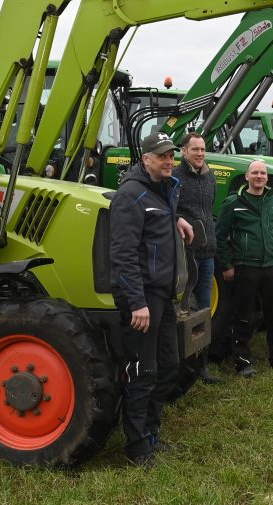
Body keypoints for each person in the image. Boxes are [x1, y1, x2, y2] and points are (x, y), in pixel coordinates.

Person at [109, 131, 193, 466]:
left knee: (169, 366)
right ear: (146, 160)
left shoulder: (161, 191)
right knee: (142, 371)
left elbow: (156, 225)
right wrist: (136, 302)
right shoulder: (130, 194)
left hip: (163, 294)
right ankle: (137, 447)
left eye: (172, 156)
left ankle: (152, 434)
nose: (169, 161)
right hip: (142, 298)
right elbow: (123, 254)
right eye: (162, 156)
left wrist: (177, 220)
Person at [215, 159, 273, 376]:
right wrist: (227, 265)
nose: (259, 176)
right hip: (246, 268)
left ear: (266, 177)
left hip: (271, 266)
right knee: (244, 315)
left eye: (262, 173)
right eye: (255, 173)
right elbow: (220, 236)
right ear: (246, 177)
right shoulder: (233, 203)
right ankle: (243, 361)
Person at [173, 131, 223, 385]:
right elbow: (169, 212)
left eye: (203, 149)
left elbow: (209, 208)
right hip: (186, 255)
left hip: (207, 253)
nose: (200, 154)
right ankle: (183, 366)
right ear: (184, 151)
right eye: (195, 150)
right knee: (185, 309)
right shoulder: (175, 177)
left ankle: (201, 366)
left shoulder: (209, 176)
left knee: (204, 309)